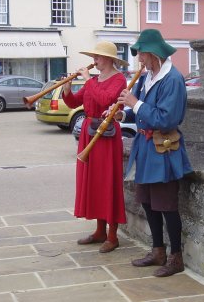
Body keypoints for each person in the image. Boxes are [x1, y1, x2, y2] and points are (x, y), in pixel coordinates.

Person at [116, 29, 193, 277]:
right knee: (148, 202)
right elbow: (138, 109)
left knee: (167, 205)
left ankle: (176, 257)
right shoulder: (147, 76)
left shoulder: (173, 80)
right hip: (146, 148)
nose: (139, 59)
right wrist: (123, 114)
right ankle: (158, 250)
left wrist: (134, 104)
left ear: (153, 54)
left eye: (142, 54)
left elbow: (166, 118)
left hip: (164, 150)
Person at [62, 41, 128, 253]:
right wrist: (66, 88)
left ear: (108, 59)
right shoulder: (96, 79)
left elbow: (105, 99)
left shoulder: (119, 79)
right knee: (94, 182)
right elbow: (75, 103)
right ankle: (100, 231)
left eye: (97, 57)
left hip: (106, 136)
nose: (94, 60)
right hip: (89, 133)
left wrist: (88, 80)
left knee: (108, 182)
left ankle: (112, 235)